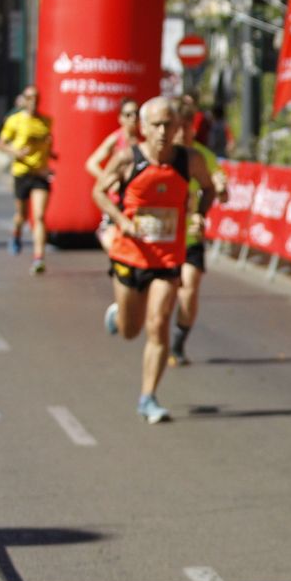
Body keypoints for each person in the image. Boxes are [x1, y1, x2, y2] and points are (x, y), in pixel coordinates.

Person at [92, 96, 212, 424]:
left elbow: (208, 189)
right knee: (131, 331)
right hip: (131, 255)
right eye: (156, 125)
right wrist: (121, 220)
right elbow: (99, 192)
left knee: (157, 324)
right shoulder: (127, 159)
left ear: (177, 128)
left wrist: (200, 215)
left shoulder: (190, 160)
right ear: (143, 128)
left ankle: (148, 397)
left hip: (168, 256)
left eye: (168, 125)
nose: (162, 131)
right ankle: (119, 315)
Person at [170, 106, 228, 366]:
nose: (183, 133)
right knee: (161, 294)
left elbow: (217, 189)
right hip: (163, 240)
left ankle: (178, 342)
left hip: (191, 239)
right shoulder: (161, 157)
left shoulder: (203, 157)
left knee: (189, 290)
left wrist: (204, 209)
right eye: (178, 127)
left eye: (187, 127)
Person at [0, 85, 54, 274]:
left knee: (38, 216)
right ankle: (17, 233)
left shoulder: (46, 122)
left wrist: (51, 157)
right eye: (29, 98)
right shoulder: (15, 120)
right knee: (21, 215)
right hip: (21, 172)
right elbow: (1, 144)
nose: (33, 101)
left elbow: (48, 147)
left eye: (36, 98)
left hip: (40, 174)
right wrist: (16, 152)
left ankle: (38, 258)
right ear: (24, 100)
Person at [86, 99, 142, 254]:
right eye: (128, 114)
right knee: (114, 245)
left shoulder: (144, 141)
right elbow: (91, 163)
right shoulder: (116, 139)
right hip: (116, 199)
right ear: (120, 118)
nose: (133, 118)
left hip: (136, 200)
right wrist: (110, 181)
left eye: (136, 114)